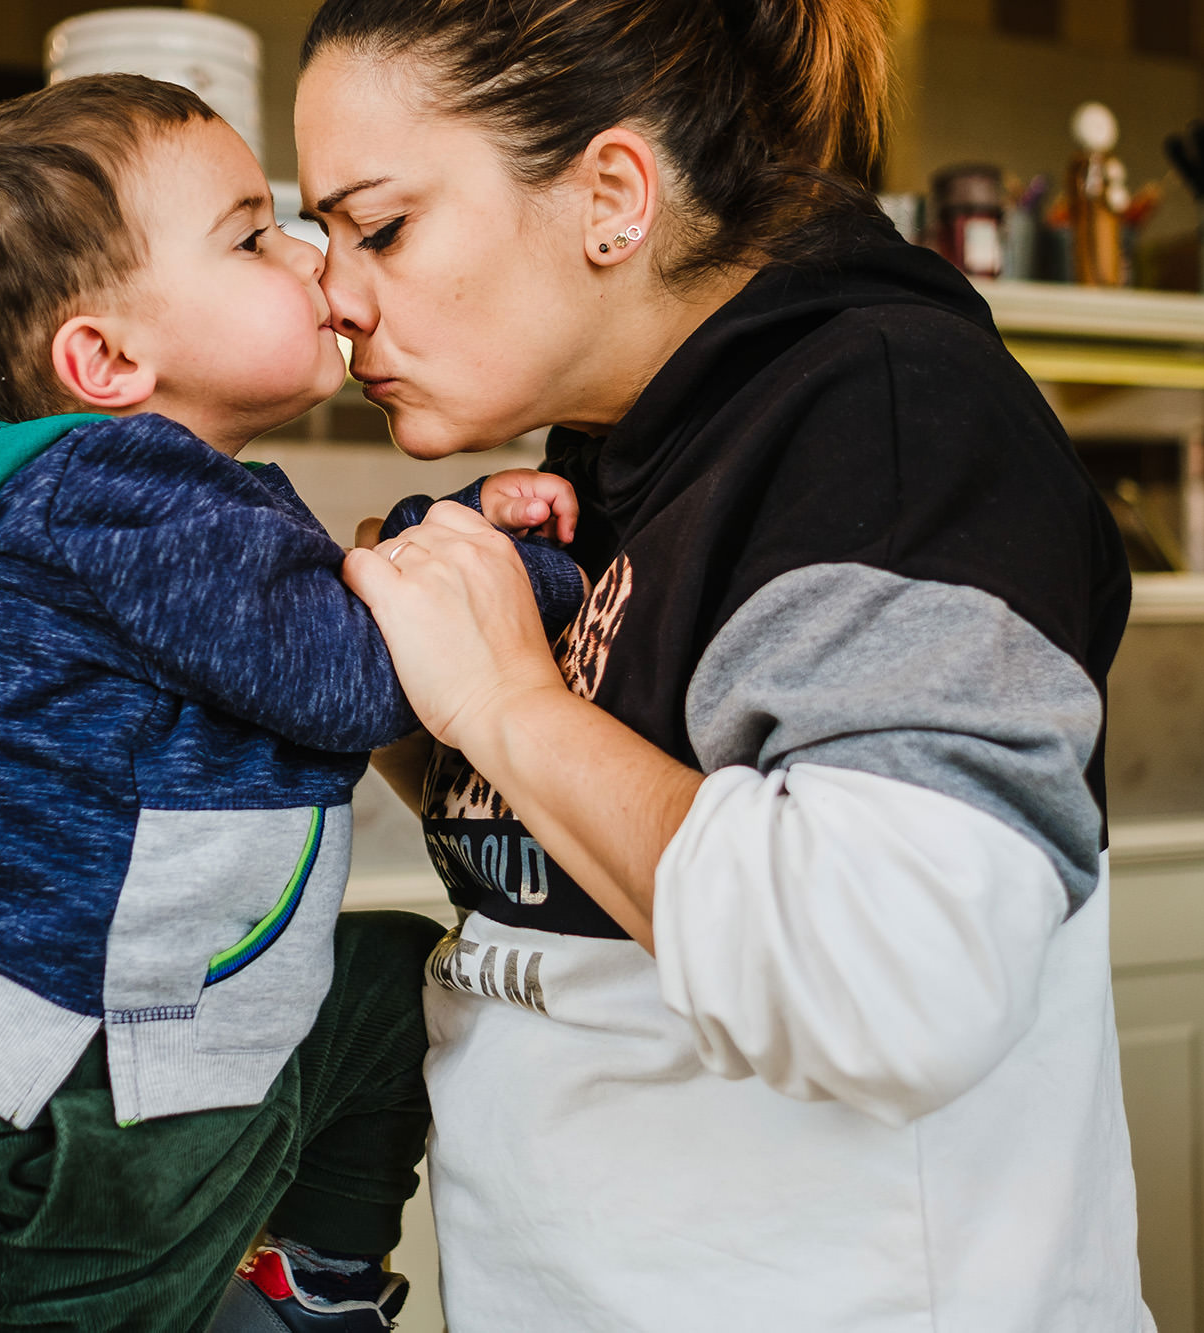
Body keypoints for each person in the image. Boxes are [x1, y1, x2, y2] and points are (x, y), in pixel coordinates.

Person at [293, 1, 1154, 1329]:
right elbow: (623, 885)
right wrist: (435, 717)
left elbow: (893, 981)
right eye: (321, 236)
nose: (335, 295)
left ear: (611, 195)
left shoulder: (888, 424)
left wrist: (511, 704)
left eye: (382, 227)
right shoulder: (602, 456)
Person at [0, 74, 584, 1333]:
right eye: (250, 236)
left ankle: (310, 1283)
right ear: (108, 359)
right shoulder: (116, 494)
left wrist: (439, 533)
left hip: (178, 1050)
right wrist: (522, 571)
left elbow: (311, 626)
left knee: (393, 984)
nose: (306, 257)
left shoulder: (174, 499)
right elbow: (347, 681)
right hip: (90, 1102)